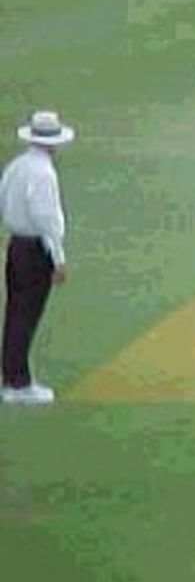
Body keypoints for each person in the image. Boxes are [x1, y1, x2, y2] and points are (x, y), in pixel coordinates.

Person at [1, 110, 75, 405]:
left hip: (16, 245)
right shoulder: (43, 174)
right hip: (34, 250)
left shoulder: (17, 166)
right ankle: (18, 383)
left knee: (15, 312)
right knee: (25, 315)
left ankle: (12, 377)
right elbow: (47, 219)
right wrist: (58, 259)